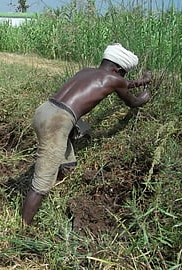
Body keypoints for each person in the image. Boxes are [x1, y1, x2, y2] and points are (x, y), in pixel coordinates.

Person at [21, 43, 152, 225]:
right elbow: (133, 102)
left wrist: (142, 81)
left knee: (67, 160)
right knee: (40, 183)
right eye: (123, 73)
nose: (123, 78)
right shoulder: (115, 79)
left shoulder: (87, 71)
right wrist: (144, 97)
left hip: (45, 110)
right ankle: (22, 227)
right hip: (58, 121)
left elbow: (122, 84)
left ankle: (62, 183)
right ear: (118, 69)